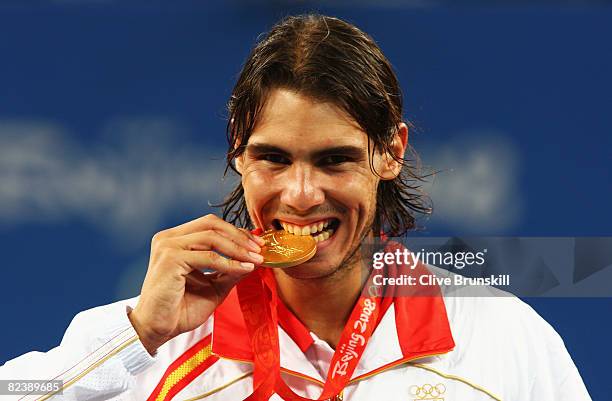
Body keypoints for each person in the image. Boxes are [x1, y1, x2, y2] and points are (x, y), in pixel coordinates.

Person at [0, 14, 591, 401]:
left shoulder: (503, 340)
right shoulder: (158, 343)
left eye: (334, 159)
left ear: (390, 152)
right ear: (238, 153)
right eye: (274, 159)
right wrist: (135, 336)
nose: (302, 194)